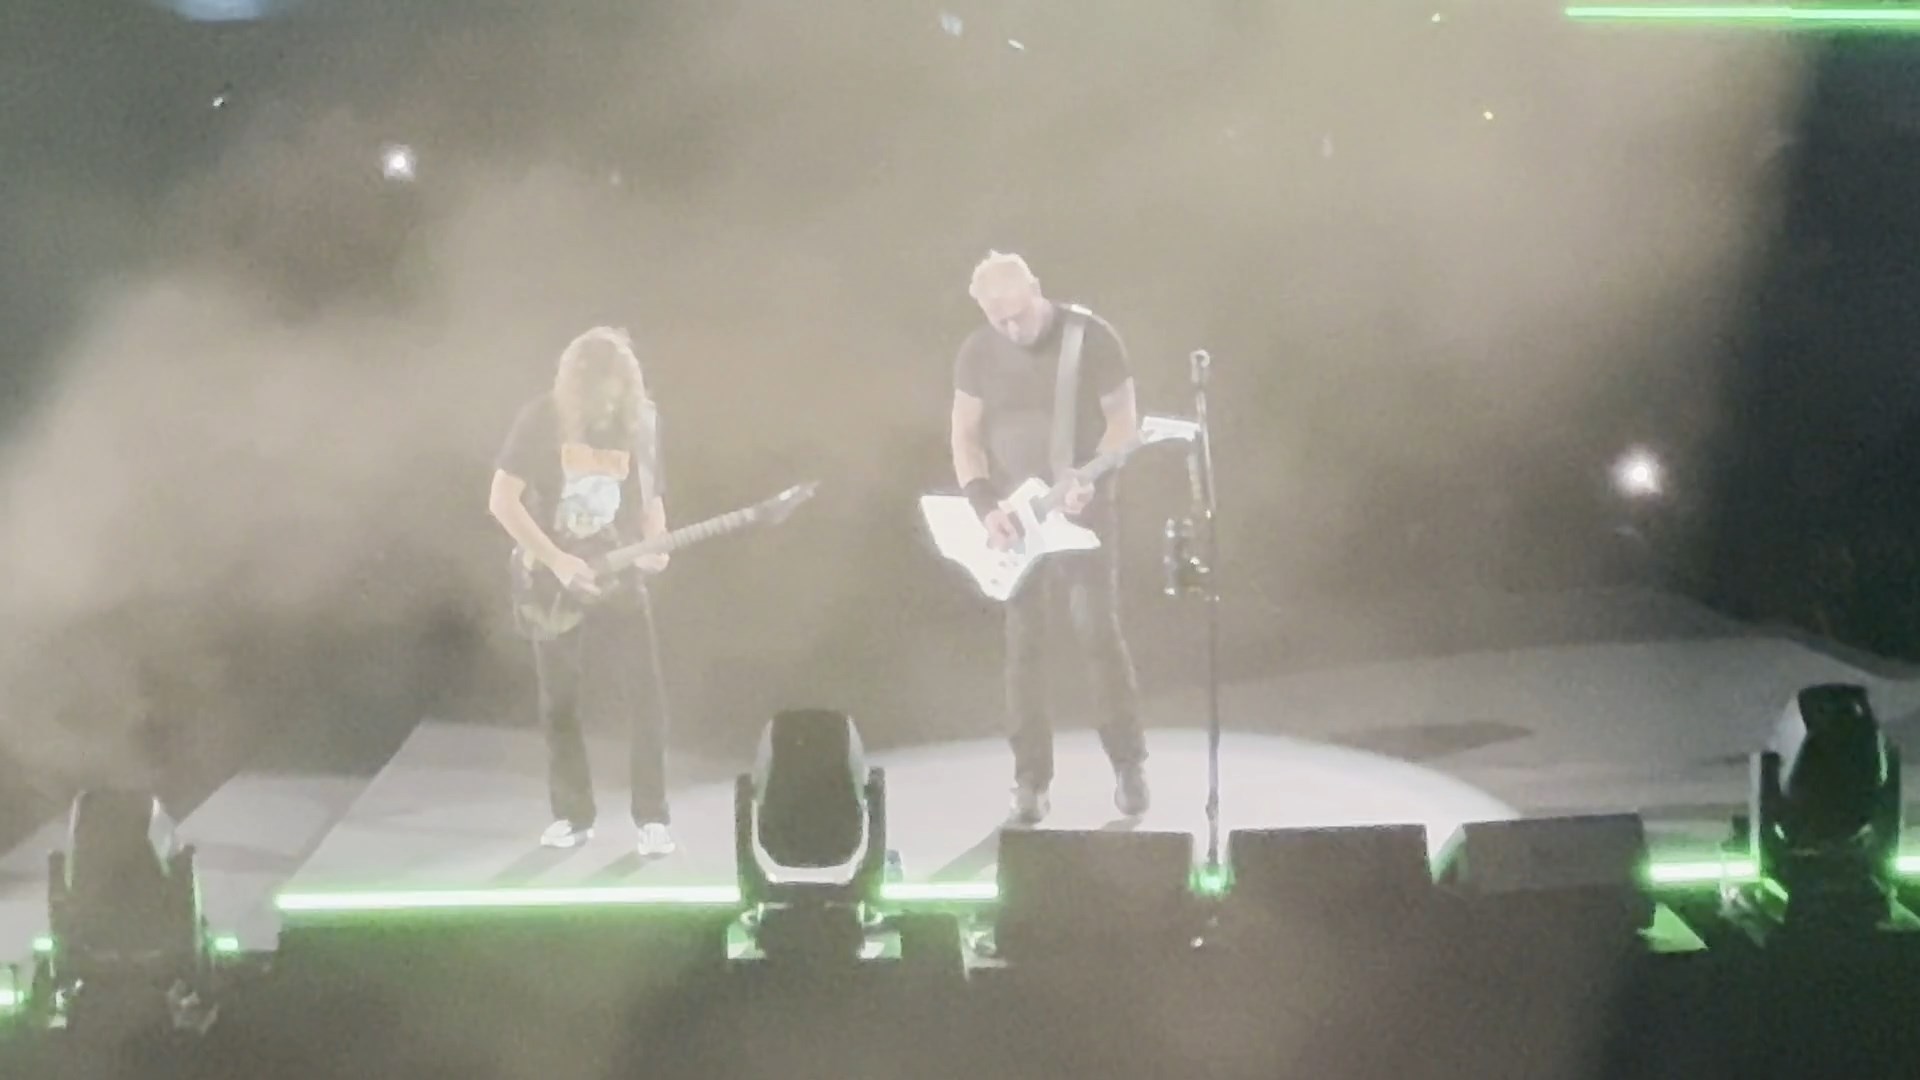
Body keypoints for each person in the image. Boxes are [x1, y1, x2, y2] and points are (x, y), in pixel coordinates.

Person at [949, 252, 1148, 825]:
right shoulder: (976, 353)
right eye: (1000, 321)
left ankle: (1129, 766)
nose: (1013, 329)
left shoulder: (1091, 337)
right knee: (1024, 648)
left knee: (1097, 633)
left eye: (1019, 314)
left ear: (1036, 288)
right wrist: (984, 505)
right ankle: (1030, 781)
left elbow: (1124, 423)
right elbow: (965, 436)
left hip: (1082, 508)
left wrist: (1093, 477)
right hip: (1015, 519)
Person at [488, 326, 676, 856]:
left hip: (619, 575)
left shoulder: (641, 423)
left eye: (618, 390)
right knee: (561, 702)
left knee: (646, 697)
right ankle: (572, 816)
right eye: (600, 391)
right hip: (552, 581)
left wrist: (656, 543)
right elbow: (502, 501)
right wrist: (557, 560)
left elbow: (651, 498)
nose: (609, 402)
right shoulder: (541, 418)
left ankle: (653, 818)